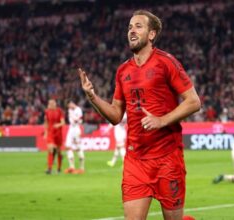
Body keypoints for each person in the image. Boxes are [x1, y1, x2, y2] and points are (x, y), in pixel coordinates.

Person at [78, 10, 201, 220]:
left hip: (167, 158)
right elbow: (116, 115)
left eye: (138, 26)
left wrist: (161, 120)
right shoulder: (123, 71)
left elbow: (193, 101)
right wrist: (93, 98)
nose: (132, 31)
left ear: (151, 34)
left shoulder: (166, 62)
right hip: (136, 160)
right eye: (129, 27)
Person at [44, 98, 65, 174]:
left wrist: (58, 125)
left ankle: (59, 168)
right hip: (50, 133)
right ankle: (49, 168)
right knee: (50, 149)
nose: (50, 105)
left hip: (58, 134)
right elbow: (46, 122)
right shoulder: (47, 112)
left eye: (52, 103)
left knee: (59, 151)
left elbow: (63, 123)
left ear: (55, 104)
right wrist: (46, 132)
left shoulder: (59, 111)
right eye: (49, 104)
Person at [64, 100, 85, 174]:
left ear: (71, 103)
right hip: (71, 130)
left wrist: (71, 115)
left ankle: (82, 168)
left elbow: (77, 120)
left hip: (76, 130)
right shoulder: (70, 110)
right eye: (68, 107)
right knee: (68, 147)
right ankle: (72, 167)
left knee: (78, 148)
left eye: (69, 105)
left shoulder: (78, 110)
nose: (69, 107)